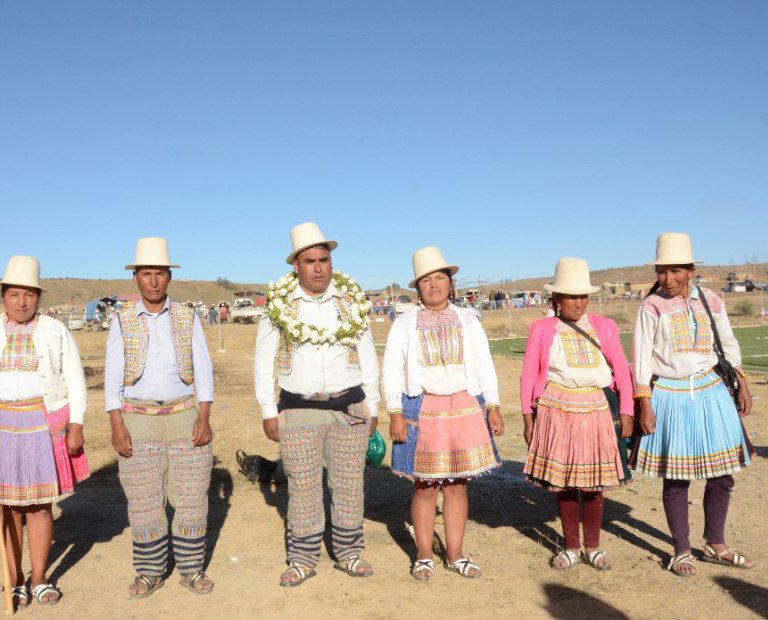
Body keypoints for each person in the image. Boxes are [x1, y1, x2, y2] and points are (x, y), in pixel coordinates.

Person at [254, 222, 380, 587]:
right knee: (304, 486)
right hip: (298, 408)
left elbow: (367, 353)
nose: (319, 267)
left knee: (349, 484)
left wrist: (372, 402)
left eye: (324, 259)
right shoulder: (279, 305)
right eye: (310, 260)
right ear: (296, 265)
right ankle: (303, 558)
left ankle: (349, 552)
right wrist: (267, 410)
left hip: (349, 407)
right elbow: (263, 363)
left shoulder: (349, 302)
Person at [0, 256, 89, 606]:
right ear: (3, 296)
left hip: (42, 420)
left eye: (29, 294)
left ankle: (39, 578)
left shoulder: (54, 330)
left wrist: (76, 424)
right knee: (7, 508)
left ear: (38, 297)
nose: (22, 302)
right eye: (15, 294)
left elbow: (74, 381)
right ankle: (13, 577)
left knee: (38, 506)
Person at [633, 233, 755, 577]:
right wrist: (644, 402)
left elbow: (728, 344)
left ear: (690, 271)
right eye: (661, 272)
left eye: (675, 272)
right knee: (677, 477)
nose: (667, 280)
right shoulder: (651, 307)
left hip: (712, 390)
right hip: (669, 394)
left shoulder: (711, 300)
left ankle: (716, 544)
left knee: (722, 474)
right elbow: (641, 357)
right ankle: (681, 550)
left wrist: (742, 383)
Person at [382, 247, 503, 581]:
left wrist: (492, 405)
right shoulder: (405, 324)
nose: (433, 285)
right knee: (425, 485)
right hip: (423, 407)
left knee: (457, 485)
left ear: (451, 283)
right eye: (426, 280)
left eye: (440, 278)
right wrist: (394, 412)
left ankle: (455, 554)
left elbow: (483, 364)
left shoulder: (468, 320)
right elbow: (392, 370)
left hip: (464, 406)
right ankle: (423, 554)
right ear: (417, 287)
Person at [106, 238, 215, 598]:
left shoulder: (187, 315)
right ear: (135, 277)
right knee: (143, 500)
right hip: (137, 418)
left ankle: (191, 569)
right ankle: (150, 572)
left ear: (169, 278)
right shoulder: (122, 319)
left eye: (159, 274)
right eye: (146, 274)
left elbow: (203, 368)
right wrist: (116, 423)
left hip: (185, 414)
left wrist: (204, 414)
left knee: (191, 497)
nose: (153, 281)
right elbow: (112, 376)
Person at [520, 258, 634, 571]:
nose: (579, 302)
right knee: (566, 482)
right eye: (571, 296)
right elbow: (529, 375)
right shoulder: (542, 329)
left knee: (594, 482)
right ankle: (571, 547)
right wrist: (528, 419)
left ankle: (593, 548)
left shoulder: (605, 326)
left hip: (597, 408)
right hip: (557, 409)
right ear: (556, 299)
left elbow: (622, 368)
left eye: (583, 296)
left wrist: (627, 409)